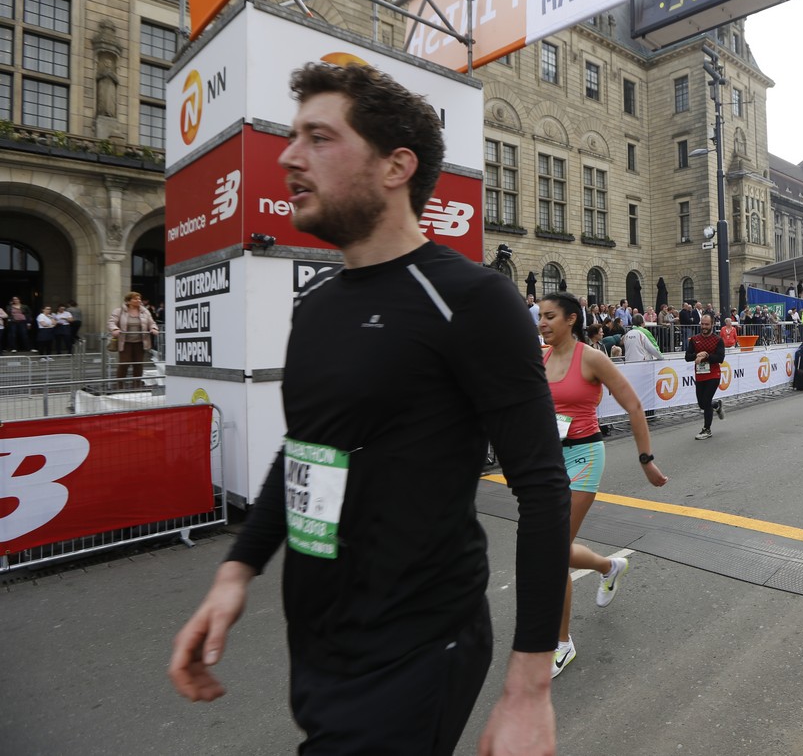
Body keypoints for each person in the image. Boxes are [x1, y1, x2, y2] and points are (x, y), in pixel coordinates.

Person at [168, 63, 571, 756]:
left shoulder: (473, 298)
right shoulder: (316, 304)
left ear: (395, 167)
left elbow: (541, 486)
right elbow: (306, 450)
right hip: (318, 642)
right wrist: (237, 571)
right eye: (293, 136)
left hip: (417, 647)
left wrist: (529, 688)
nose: (289, 156)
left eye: (319, 137)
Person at [538, 292, 667, 678]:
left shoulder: (592, 358)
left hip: (584, 456)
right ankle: (609, 566)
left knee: (553, 551)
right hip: (550, 459)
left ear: (571, 319)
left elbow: (634, 406)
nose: (542, 322)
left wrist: (646, 459)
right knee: (553, 548)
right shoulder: (540, 358)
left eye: (550, 316)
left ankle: (562, 643)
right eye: (540, 316)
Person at [685, 313, 726, 439]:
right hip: (700, 375)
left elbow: (720, 358)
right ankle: (716, 405)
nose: (704, 327)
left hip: (713, 375)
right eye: (702, 324)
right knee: (702, 404)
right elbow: (687, 357)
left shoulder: (718, 340)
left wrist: (706, 356)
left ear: (712, 324)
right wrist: (697, 355)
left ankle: (707, 429)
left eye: (707, 324)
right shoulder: (694, 339)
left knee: (706, 401)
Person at [107, 291, 160, 387]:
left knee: (138, 364)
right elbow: (111, 322)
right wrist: (115, 329)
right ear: (128, 301)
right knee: (124, 363)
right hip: (125, 342)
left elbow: (151, 322)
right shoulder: (119, 311)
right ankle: (119, 386)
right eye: (135, 299)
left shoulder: (145, 311)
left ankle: (136, 386)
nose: (138, 300)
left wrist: (153, 328)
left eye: (139, 298)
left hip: (140, 342)